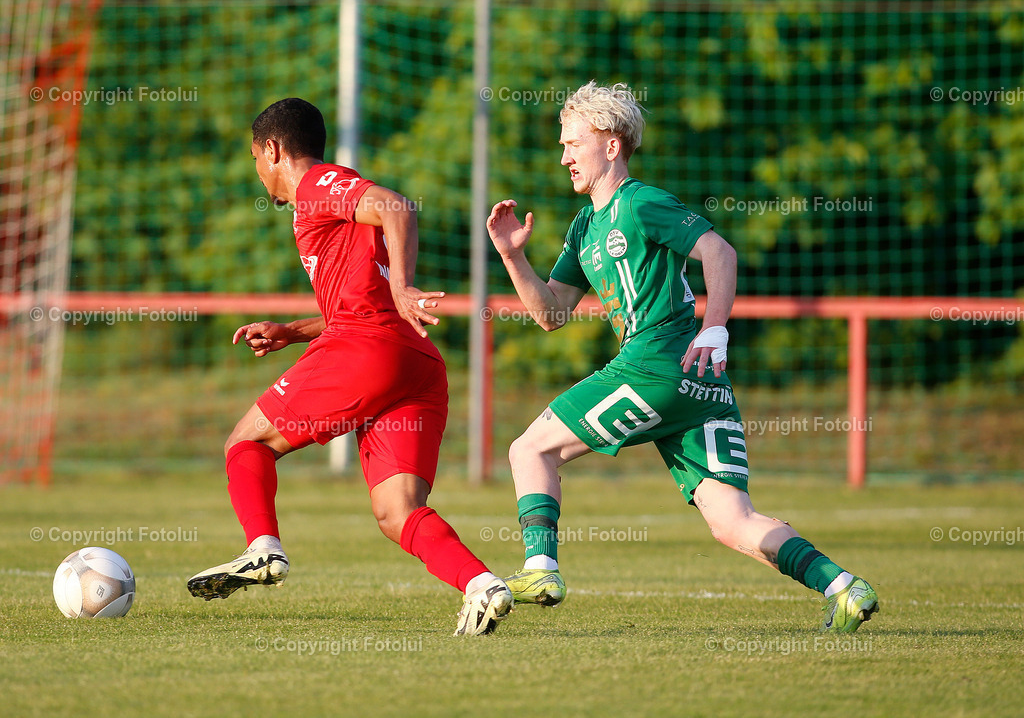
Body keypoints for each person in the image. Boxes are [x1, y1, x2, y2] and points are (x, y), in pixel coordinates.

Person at [486, 81, 878, 632]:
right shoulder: (583, 227)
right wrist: (511, 256)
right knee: (732, 520)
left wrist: (714, 328)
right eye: (562, 144)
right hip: (700, 385)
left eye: (574, 143)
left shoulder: (641, 202)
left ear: (612, 145)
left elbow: (719, 250)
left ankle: (540, 568)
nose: (564, 155)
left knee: (529, 450)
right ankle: (843, 587)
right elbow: (552, 314)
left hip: (657, 363)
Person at [187, 98, 513, 636]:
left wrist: (404, 286)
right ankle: (482, 585)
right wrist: (293, 332)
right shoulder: (336, 203)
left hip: (367, 348)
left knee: (246, 443)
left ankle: (263, 549)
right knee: (398, 511)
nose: (257, 172)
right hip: (413, 361)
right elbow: (356, 297)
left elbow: (400, 207)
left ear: (272, 150)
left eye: (254, 158)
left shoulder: (318, 184)